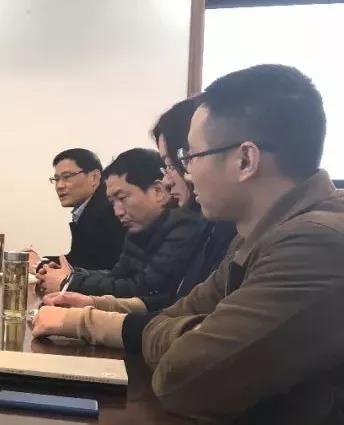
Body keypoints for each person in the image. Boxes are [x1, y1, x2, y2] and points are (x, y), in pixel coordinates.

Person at [37, 65, 344, 423]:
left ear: (245, 160)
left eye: (189, 158)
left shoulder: (315, 244)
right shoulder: (254, 233)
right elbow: (178, 310)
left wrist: (196, 338)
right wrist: (197, 331)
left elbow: (184, 378)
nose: (180, 176)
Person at [40, 96, 237, 316]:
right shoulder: (149, 225)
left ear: (245, 158)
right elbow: (173, 309)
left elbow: (157, 299)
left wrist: (74, 287)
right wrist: (82, 295)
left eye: (179, 162)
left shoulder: (190, 224)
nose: (168, 181)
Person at [36, 148, 205, 298]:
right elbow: (117, 276)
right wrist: (70, 275)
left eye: (122, 198)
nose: (117, 212)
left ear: (157, 191)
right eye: (112, 201)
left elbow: (143, 289)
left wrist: (69, 281)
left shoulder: (183, 225)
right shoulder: (138, 227)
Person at [27, 149, 125, 271]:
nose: (59, 186)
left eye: (67, 177)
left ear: (94, 177)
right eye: (56, 179)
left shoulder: (108, 211)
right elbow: (79, 259)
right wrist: (41, 261)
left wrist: (39, 264)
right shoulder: (89, 208)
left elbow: (94, 268)